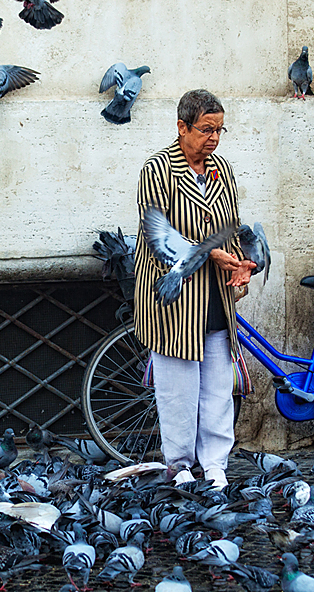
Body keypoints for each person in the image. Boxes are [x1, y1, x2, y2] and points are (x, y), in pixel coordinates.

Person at [133, 89, 255, 488]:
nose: (214, 138)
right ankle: (180, 464)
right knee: (178, 387)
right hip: (175, 295)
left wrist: (240, 265)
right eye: (206, 129)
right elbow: (160, 236)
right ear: (182, 127)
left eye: (219, 130)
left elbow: (230, 226)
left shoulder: (223, 169)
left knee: (218, 384)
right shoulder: (158, 169)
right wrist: (215, 255)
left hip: (215, 295)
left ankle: (216, 462)